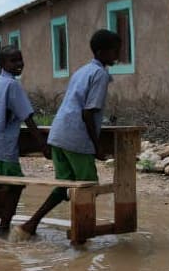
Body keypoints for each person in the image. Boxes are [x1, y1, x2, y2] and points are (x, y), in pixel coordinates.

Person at [19, 29, 122, 236]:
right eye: (114, 50)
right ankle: (81, 234)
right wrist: (97, 146)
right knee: (88, 186)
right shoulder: (100, 74)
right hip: (75, 137)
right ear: (102, 52)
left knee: (64, 186)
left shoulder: (82, 71)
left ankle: (30, 224)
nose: (117, 54)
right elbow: (87, 113)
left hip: (58, 134)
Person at [0, 45, 48, 236]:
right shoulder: (12, 85)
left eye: (20, 59)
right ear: (3, 63)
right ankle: (4, 227)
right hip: (0, 143)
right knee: (15, 185)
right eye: (13, 60)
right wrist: (43, 145)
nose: (19, 64)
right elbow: (27, 118)